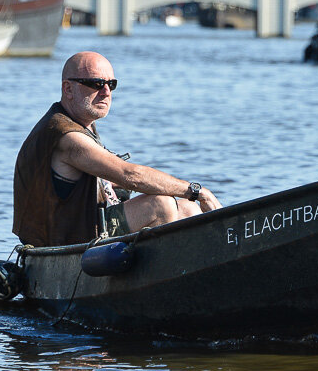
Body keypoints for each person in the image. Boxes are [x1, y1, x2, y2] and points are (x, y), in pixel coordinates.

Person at [13, 51, 221, 247]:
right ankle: (152, 277)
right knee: (160, 205)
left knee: (188, 209)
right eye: (96, 84)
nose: (106, 92)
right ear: (68, 89)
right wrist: (197, 191)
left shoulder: (81, 124)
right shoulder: (67, 136)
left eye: (111, 84)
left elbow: (110, 178)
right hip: (64, 240)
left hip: (84, 224)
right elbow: (128, 174)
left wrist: (188, 197)